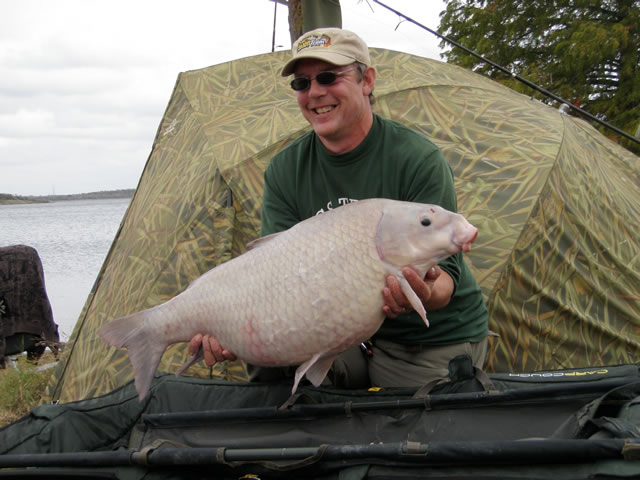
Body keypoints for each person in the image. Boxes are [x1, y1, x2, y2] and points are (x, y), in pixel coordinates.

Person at [189, 28, 489, 390]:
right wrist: (233, 329)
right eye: (302, 83)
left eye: (329, 77)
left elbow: (446, 283)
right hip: (339, 331)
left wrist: (421, 293)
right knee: (270, 373)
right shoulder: (286, 170)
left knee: (407, 428)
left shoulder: (416, 158)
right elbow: (274, 277)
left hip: (427, 336)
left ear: (367, 80)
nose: (315, 92)